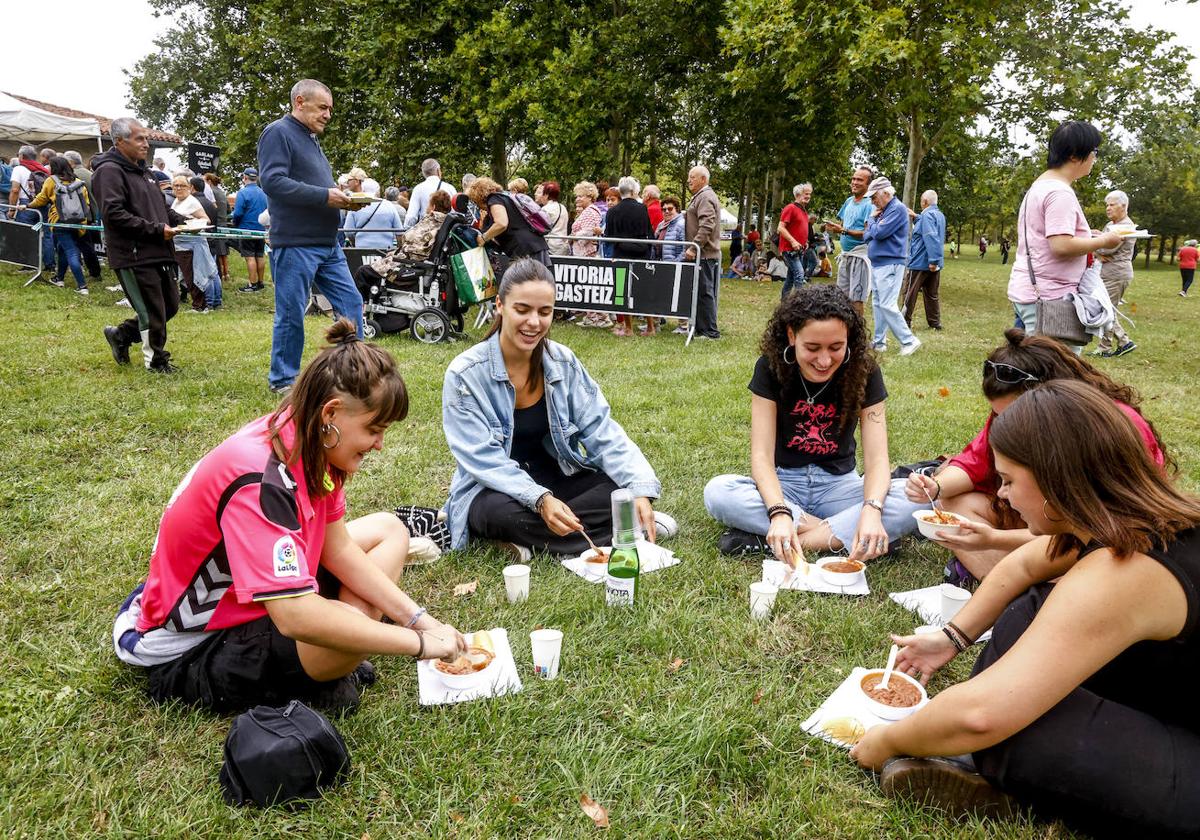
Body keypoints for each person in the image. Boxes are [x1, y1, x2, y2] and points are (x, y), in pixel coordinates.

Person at [852, 380, 1200, 838]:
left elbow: (981, 715)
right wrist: (950, 638)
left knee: (1013, 732)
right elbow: (1020, 566)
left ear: (1057, 480)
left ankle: (1014, 781)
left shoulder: (1127, 569)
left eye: (1011, 481)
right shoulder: (1122, 520)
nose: (1003, 497)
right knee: (1025, 613)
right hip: (1167, 704)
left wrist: (883, 742)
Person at [112, 319, 466, 714]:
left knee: (389, 530)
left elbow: (338, 549)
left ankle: (334, 660)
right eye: (374, 429)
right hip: (190, 647)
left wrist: (419, 620)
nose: (380, 445)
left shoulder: (308, 440)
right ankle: (331, 666)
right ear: (332, 412)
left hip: (253, 601)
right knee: (345, 628)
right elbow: (295, 617)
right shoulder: (261, 480)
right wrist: (418, 645)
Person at [441, 259, 675, 560]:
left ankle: (527, 543)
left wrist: (639, 489)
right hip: (499, 490)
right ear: (500, 305)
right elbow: (482, 459)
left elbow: (601, 429)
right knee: (492, 511)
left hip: (559, 481)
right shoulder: (465, 374)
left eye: (544, 312)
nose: (534, 322)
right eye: (522, 310)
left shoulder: (562, 362)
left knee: (620, 489)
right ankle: (625, 530)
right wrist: (539, 500)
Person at [904, 328, 1166, 584]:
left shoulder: (1104, 427)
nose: (1004, 421)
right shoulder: (1018, 416)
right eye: (998, 415)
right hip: (1048, 522)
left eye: (1010, 413)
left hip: (1105, 538)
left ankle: (1031, 590)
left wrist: (992, 539)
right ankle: (1010, 586)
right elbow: (975, 462)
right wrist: (936, 486)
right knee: (952, 502)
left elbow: (1093, 531)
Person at [704, 284, 918, 559]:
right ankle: (851, 537)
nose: (824, 360)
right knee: (719, 492)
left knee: (914, 498)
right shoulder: (770, 366)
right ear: (792, 336)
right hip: (785, 486)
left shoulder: (865, 370)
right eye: (813, 347)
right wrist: (779, 510)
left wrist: (872, 510)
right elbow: (761, 457)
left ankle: (779, 541)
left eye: (836, 347)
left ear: (849, 338)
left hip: (840, 486)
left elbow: (877, 460)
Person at [258, 79, 363, 395]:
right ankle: (283, 380)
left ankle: (353, 371)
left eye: (330, 109)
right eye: (323, 107)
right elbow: (273, 182)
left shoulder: (309, 138)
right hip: (296, 242)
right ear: (300, 102)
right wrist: (324, 196)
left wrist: (339, 196)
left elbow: (314, 185)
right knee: (292, 312)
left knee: (352, 302)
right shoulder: (278, 132)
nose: (328, 114)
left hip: (327, 243)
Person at [1007, 120, 1121, 337]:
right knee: (1057, 368)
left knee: (1032, 364)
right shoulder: (1060, 193)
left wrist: (1088, 236)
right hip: (1049, 296)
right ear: (1075, 155)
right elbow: (1061, 245)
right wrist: (1105, 241)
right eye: (1094, 152)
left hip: (1032, 291)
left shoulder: (1040, 187)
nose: (1095, 159)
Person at [92, 118, 188, 373]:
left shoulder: (145, 172)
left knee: (170, 306)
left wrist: (185, 221)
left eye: (146, 138)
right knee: (151, 310)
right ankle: (156, 362)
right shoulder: (109, 171)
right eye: (140, 139)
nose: (146, 143)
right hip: (133, 253)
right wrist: (157, 229)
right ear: (120, 141)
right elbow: (113, 214)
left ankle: (121, 335)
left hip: (158, 250)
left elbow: (160, 208)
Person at [861, 176, 921, 355]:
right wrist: (873, 226)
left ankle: (909, 340)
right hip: (880, 263)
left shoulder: (897, 209)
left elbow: (878, 233)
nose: (872, 201)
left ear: (886, 193)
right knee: (878, 303)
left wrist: (872, 222)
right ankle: (879, 343)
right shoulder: (884, 210)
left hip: (891, 262)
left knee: (886, 304)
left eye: (874, 197)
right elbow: (866, 236)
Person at [26, 156, 93, 294]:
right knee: (62, 249)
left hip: (59, 221)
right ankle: (59, 279)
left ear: (54, 167)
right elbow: (86, 203)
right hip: (78, 222)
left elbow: (41, 199)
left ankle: (82, 286)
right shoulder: (79, 182)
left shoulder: (51, 181)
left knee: (71, 251)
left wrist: (27, 205)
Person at [603, 176, 654, 337]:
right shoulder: (642, 208)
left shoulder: (612, 212)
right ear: (633, 191)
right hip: (641, 253)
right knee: (644, 290)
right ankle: (650, 327)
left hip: (620, 254)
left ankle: (628, 328)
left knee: (621, 291)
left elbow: (608, 236)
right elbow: (649, 232)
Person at [825, 165, 875, 318]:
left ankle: (858, 335)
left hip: (860, 257)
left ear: (868, 184)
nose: (854, 182)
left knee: (857, 299)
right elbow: (844, 225)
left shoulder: (870, 204)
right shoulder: (848, 201)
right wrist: (833, 227)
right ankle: (844, 332)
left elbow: (868, 234)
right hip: (845, 255)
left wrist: (843, 231)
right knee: (841, 297)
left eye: (859, 180)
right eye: (853, 178)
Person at [468, 176, 551, 267]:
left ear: (479, 196)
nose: (478, 206)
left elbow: (501, 223)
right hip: (534, 246)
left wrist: (483, 238)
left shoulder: (494, 199)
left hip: (526, 251)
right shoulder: (506, 198)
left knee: (521, 280)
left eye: (476, 202)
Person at [1093, 190, 1137, 357]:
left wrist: (1094, 243)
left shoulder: (1124, 226)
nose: (1108, 208)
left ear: (1123, 206)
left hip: (1116, 273)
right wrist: (1099, 238)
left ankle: (1110, 346)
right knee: (1106, 308)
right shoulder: (1113, 224)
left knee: (1106, 309)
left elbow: (1107, 247)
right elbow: (1103, 244)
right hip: (1110, 272)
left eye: (1112, 205)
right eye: (1107, 205)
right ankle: (1120, 343)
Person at [170, 175, 221, 312]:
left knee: (194, 275)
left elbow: (206, 220)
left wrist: (189, 224)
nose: (179, 188)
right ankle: (199, 304)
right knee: (187, 276)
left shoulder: (192, 202)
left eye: (182, 185)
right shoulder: (176, 201)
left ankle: (200, 305)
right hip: (180, 244)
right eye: (176, 185)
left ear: (189, 188)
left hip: (192, 245)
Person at [684, 165, 722, 340]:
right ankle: (701, 328)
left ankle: (710, 331)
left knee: (705, 292)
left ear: (703, 179)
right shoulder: (701, 196)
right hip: (704, 253)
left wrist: (694, 247)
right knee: (700, 292)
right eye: (689, 177)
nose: (689, 180)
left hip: (704, 253)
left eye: (693, 177)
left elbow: (707, 225)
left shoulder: (705, 197)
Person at [6, 144, 57, 273]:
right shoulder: (44, 169)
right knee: (46, 235)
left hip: (26, 205)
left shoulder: (19, 169)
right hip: (43, 204)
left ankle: (29, 264)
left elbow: (15, 189)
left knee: (26, 234)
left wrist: (12, 209)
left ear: (22, 156)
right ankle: (50, 265)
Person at [901, 189, 946, 331]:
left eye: (921, 200)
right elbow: (930, 228)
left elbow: (930, 236)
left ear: (925, 201)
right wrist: (916, 217)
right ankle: (935, 322)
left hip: (921, 262)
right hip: (934, 262)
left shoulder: (927, 216)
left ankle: (904, 322)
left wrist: (932, 260)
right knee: (932, 294)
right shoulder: (939, 215)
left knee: (910, 293)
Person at [571, 181, 612, 329]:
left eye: (581, 196)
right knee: (588, 286)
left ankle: (599, 317)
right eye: (577, 196)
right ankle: (594, 316)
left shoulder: (590, 211)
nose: (577, 199)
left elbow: (588, 232)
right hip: (584, 252)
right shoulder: (588, 210)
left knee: (590, 287)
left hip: (586, 252)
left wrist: (574, 236)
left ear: (590, 196)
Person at [64, 150, 103, 281]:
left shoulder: (74, 175)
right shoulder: (90, 173)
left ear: (70, 162)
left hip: (81, 214)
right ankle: (92, 271)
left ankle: (94, 273)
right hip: (92, 213)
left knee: (85, 245)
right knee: (87, 245)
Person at [231, 167, 269, 292]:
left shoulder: (243, 193)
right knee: (260, 255)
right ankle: (261, 282)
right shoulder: (263, 192)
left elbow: (237, 213)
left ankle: (252, 284)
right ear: (256, 178)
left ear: (245, 178)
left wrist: (235, 224)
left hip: (246, 228)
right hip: (261, 228)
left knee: (250, 257)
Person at [344, 182, 403, 250]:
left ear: (363, 190)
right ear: (377, 191)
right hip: (385, 249)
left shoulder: (356, 206)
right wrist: (399, 250)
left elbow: (348, 231)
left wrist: (354, 243)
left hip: (361, 248)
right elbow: (399, 232)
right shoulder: (389, 205)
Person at [778, 183, 812, 298]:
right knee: (799, 274)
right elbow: (780, 228)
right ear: (798, 194)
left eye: (810, 194)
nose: (808, 196)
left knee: (791, 277)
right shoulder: (790, 208)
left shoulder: (803, 211)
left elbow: (799, 229)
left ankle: (785, 303)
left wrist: (805, 242)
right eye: (806, 194)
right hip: (789, 249)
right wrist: (793, 241)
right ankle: (800, 305)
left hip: (799, 249)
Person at [403, 158, 456, 230]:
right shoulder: (450, 188)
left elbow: (411, 217)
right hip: (447, 232)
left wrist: (407, 229)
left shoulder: (418, 189)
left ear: (423, 173)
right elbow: (456, 213)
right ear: (438, 170)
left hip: (426, 233)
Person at [204, 173, 231, 285]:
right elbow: (229, 209)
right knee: (223, 251)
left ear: (209, 181)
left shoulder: (211, 192)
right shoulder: (221, 192)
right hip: (223, 222)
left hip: (216, 223)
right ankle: (226, 273)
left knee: (218, 251)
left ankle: (221, 274)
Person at [536, 181, 571, 257]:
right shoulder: (563, 207)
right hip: (563, 246)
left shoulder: (546, 209)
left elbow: (539, 229)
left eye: (542, 193)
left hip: (551, 247)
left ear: (546, 195)